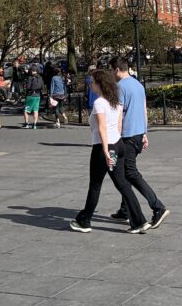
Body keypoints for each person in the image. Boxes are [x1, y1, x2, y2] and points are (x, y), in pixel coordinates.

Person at [69, 69, 150, 234]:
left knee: (95, 184)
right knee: (122, 184)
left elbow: (102, 127)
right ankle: (139, 220)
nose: (90, 85)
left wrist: (106, 150)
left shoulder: (99, 103)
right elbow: (118, 125)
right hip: (118, 144)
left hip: (104, 148)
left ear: (99, 84)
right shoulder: (115, 101)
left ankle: (84, 220)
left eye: (92, 82)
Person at [107, 56, 168, 229]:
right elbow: (143, 110)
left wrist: (113, 136)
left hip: (126, 135)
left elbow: (118, 114)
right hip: (138, 134)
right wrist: (145, 133)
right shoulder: (138, 85)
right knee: (126, 172)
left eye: (111, 70)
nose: (111, 74)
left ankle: (157, 206)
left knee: (129, 172)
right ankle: (125, 209)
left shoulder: (119, 87)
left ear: (117, 70)